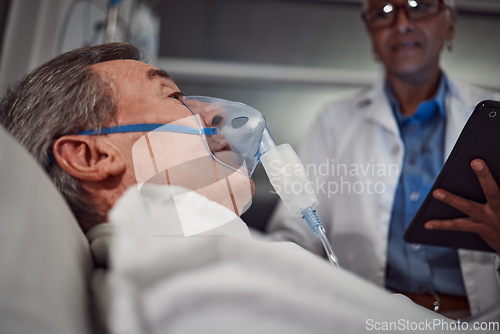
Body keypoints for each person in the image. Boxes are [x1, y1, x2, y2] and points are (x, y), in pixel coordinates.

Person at [1, 42, 485, 333]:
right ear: (91, 155)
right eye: (173, 96)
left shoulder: (212, 250)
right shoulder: (179, 263)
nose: (215, 113)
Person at [267, 0, 500, 319]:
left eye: (420, 5)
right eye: (383, 12)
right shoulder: (335, 120)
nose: (401, 23)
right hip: (368, 319)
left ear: (451, 23)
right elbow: (296, 233)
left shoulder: (492, 116)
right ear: (370, 35)